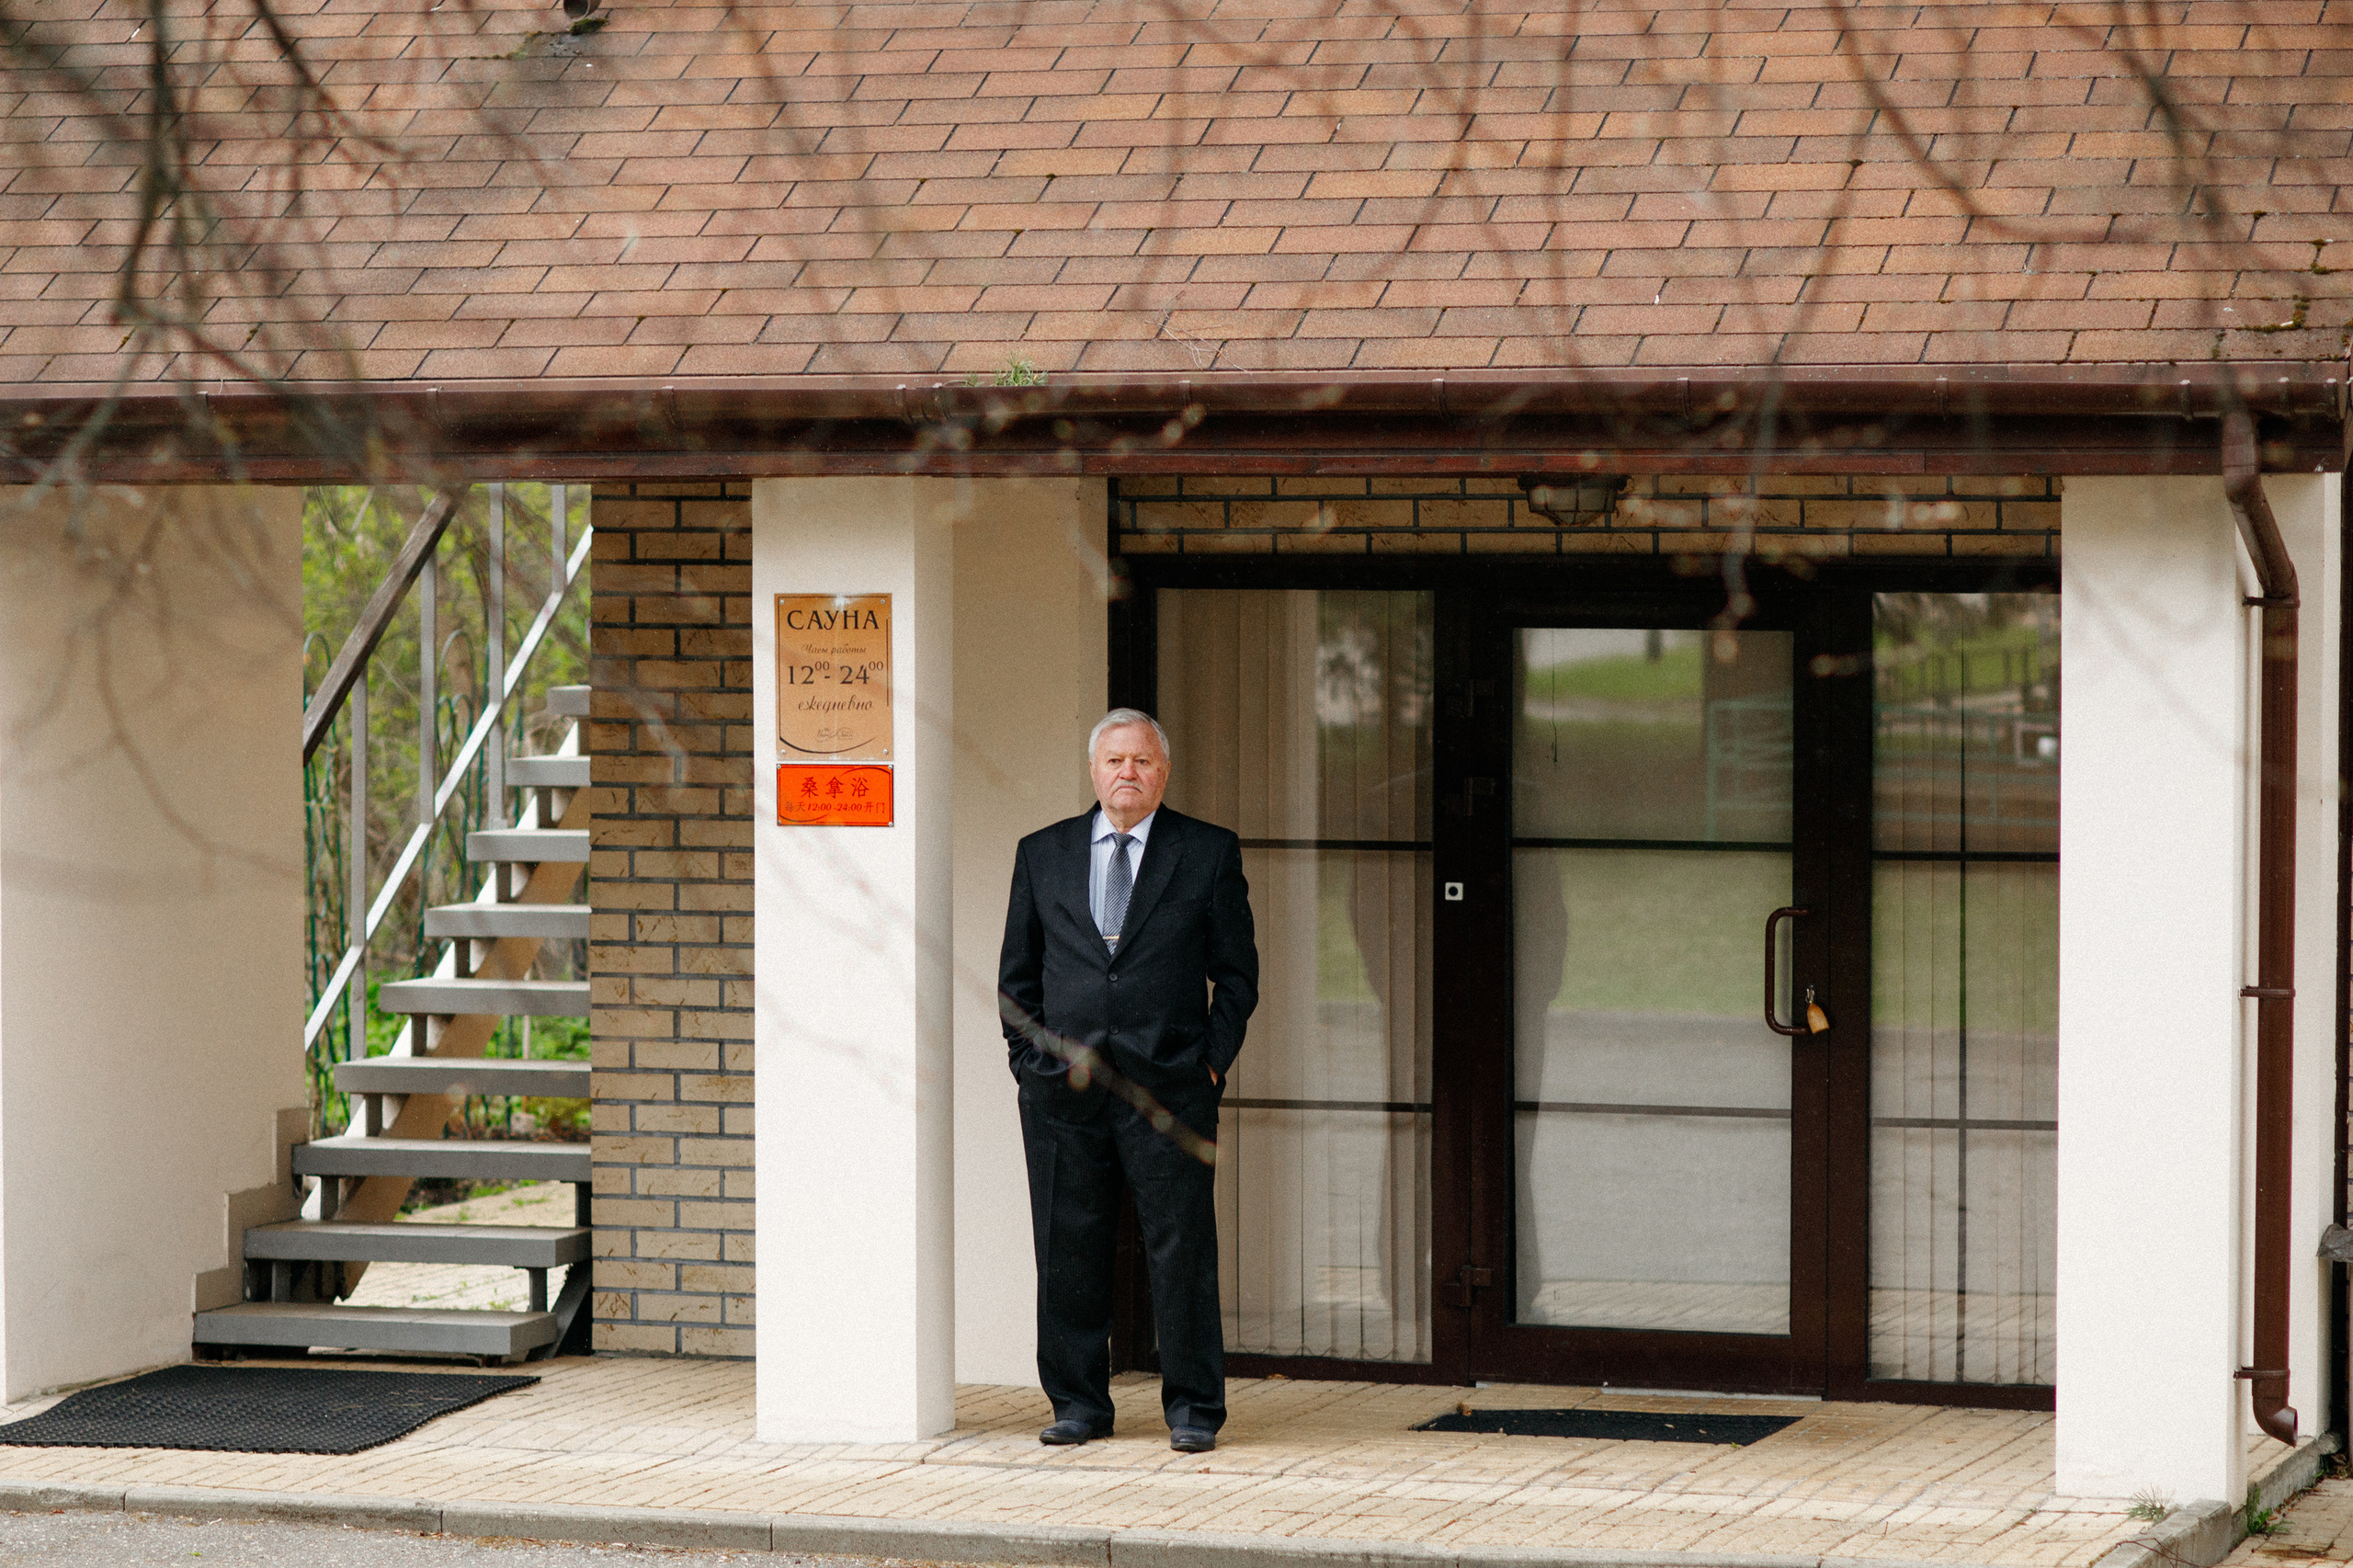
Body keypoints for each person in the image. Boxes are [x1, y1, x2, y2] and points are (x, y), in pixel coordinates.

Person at [996, 708, 1259, 1454]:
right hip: (1064, 1092)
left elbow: (1238, 977)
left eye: (1142, 761)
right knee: (1068, 1248)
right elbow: (1018, 979)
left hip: (1169, 1087)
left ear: (1163, 771)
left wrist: (1209, 1064)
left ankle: (1194, 1409)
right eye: (1114, 760)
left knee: (1182, 1251)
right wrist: (1032, 1066)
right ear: (1094, 770)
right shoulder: (1042, 853)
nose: (1128, 773)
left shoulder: (1206, 852)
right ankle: (1078, 1403)